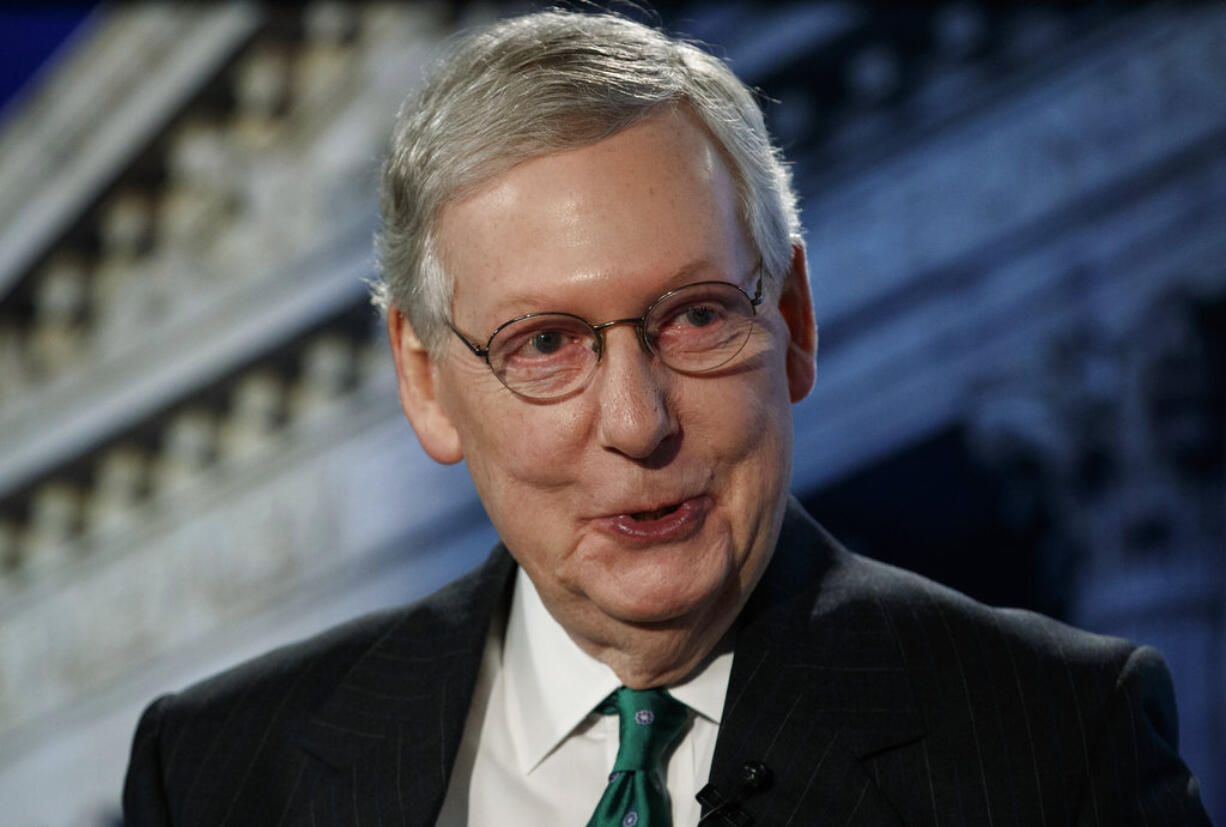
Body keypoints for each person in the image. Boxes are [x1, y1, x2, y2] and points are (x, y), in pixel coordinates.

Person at [123, 9, 1210, 826]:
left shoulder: (1059, 741)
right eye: (542, 343)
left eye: (694, 317)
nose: (637, 422)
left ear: (789, 317)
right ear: (424, 380)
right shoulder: (220, 771)